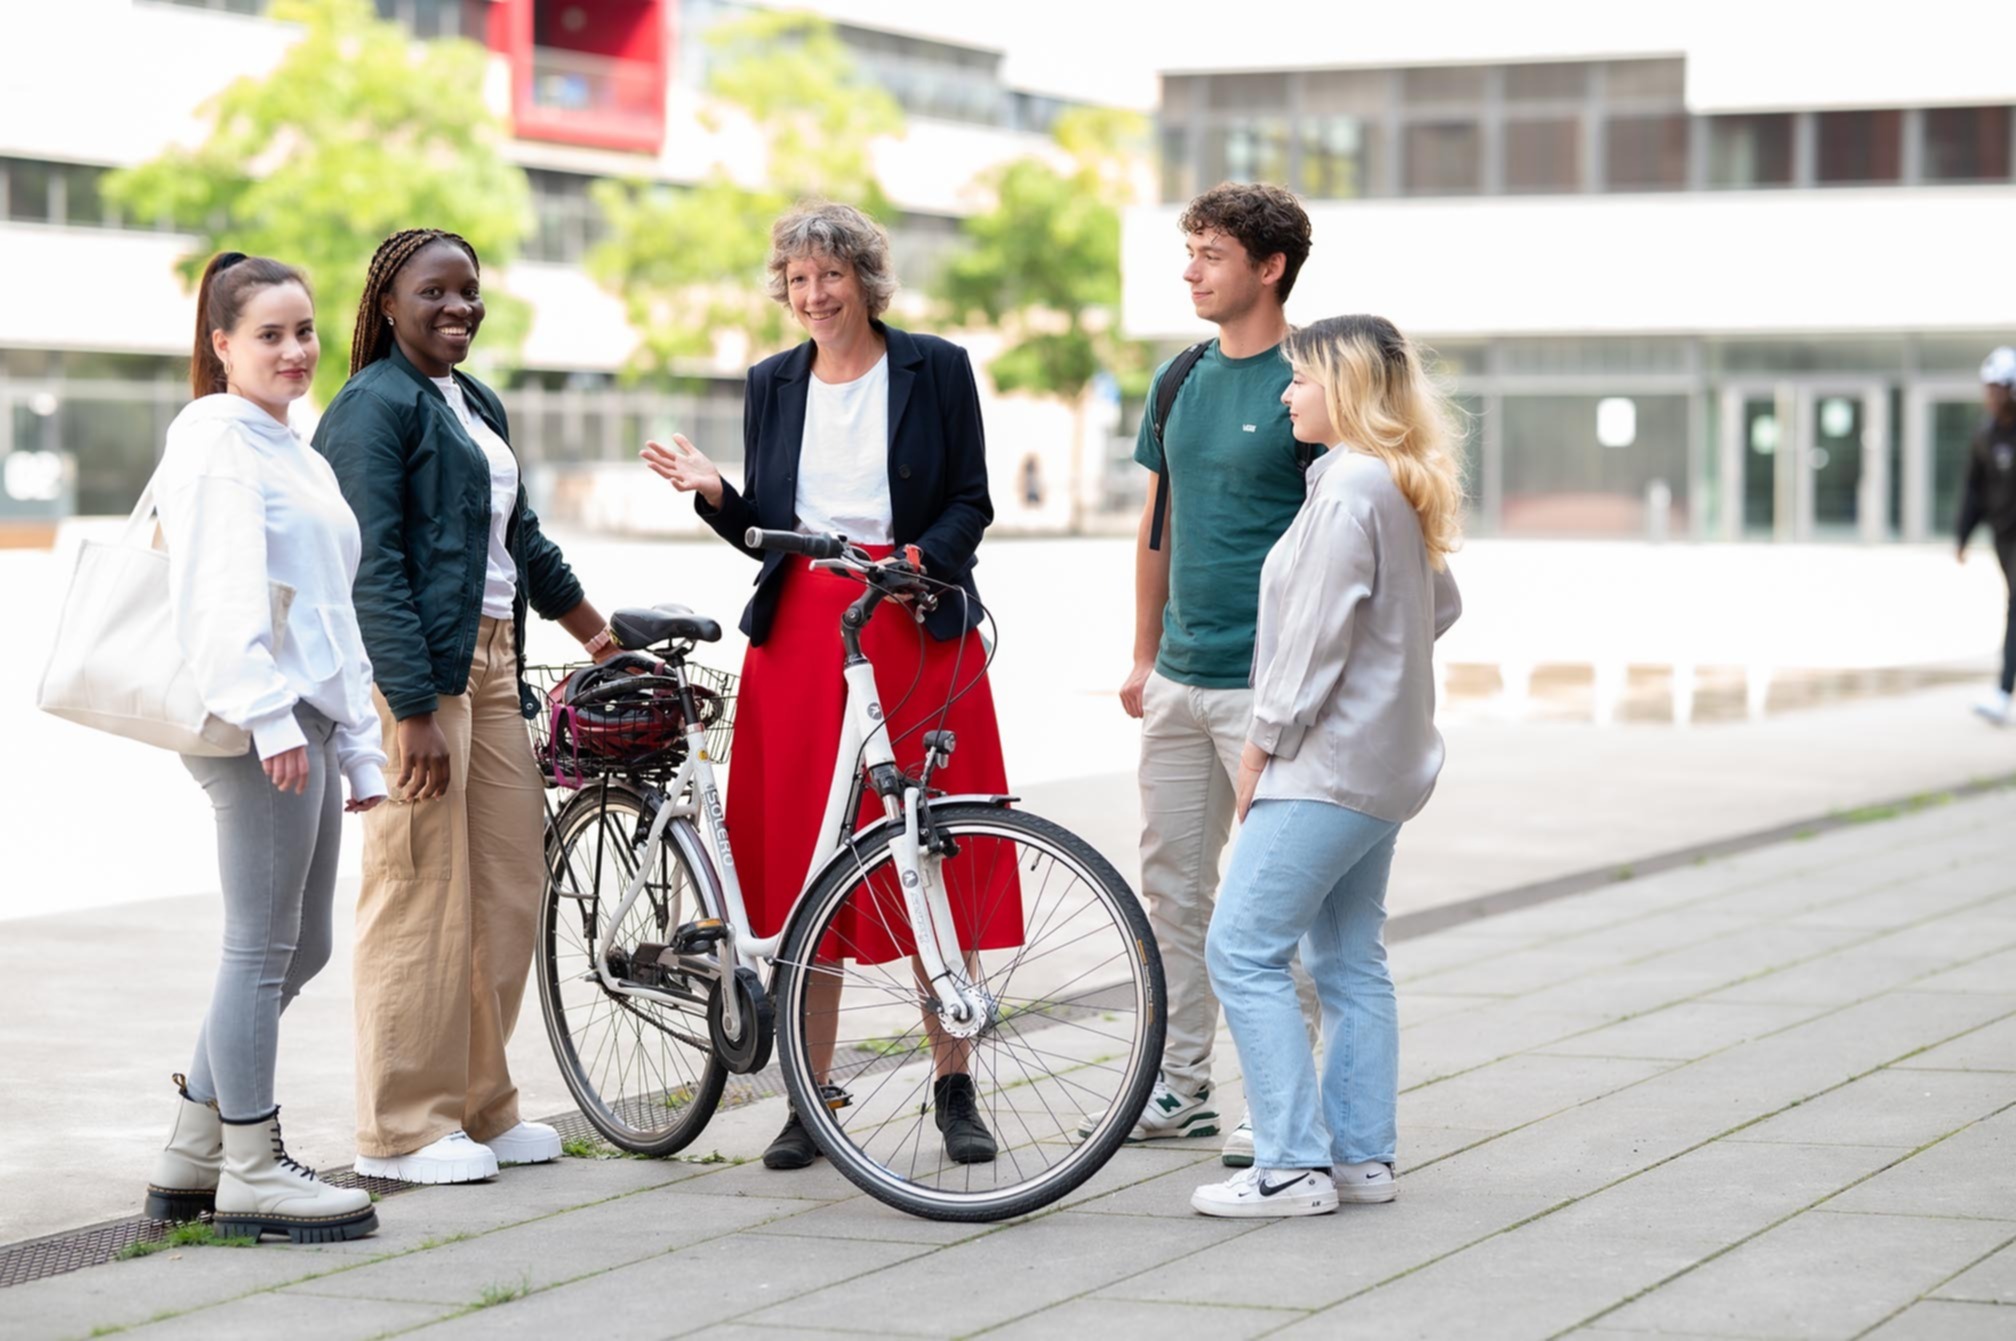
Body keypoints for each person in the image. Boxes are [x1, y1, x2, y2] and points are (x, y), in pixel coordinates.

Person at [640, 200, 1013, 1172]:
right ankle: (810, 1097)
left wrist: (922, 561)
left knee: (937, 851)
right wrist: (715, 492)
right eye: (798, 280)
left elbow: (973, 496)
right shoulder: (772, 383)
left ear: (865, 279)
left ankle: (954, 1084)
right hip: (803, 633)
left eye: (830, 276)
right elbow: (769, 531)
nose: (813, 295)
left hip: (916, 614)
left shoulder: (936, 367)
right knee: (805, 866)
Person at [314, 228, 616, 1184]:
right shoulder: (372, 406)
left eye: (469, 292)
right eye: (435, 293)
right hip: (424, 673)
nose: (458, 308)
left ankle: (482, 1106)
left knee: (505, 882)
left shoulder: (471, 400)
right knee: (417, 888)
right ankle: (402, 1126)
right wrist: (408, 708)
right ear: (389, 305)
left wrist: (599, 637)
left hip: (493, 664)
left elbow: (521, 539)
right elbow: (372, 569)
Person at [1190, 314, 1463, 1218]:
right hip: (1382, 769)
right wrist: (1384, 663)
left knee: (1240, 948)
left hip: (1326, 767)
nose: (1286, 392)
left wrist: (1259, 749)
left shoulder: (1348, 489)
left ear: (1340, 388)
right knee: (1347, 957)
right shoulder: (1392, 483)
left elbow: (1306, 648)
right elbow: (1440, 604)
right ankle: (1359, 1160)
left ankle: (1290, 1166)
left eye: (1300, 379)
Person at [143, 251, 384, 1243]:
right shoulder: (214, 437)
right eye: (269, 336)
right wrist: (268, 715)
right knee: (260, 945)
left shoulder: (296, 445)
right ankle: (251, 1164)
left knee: (304, 942)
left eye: (303, 331)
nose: (294, 351)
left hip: (307, 722)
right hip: (261, 725)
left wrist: (360, 746)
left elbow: (329, 606)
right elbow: (219, 590)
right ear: (221, 346)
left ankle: (193, 1152)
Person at [1108, 182, 1320, 1164]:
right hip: (1182, 681)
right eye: (1188, 251)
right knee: (1174, 893)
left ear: (1268, 267)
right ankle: (1182, 1086)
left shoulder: (1314, 377)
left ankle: (1284, 1099)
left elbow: (1345, 533)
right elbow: (1159, 525)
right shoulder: (1180, 377)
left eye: (1210, 254)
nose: (1190, 270)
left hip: (1270, 690)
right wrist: (1145, 655)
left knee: (1277, 901)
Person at [1957, 346, 2016, 725]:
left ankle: (2002, 691)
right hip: (2004, 537)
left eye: (1997, 388)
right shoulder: (1985, 437)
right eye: (1987, 388)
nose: (1990, 396)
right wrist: (1962, 535)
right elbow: (1974, 491)